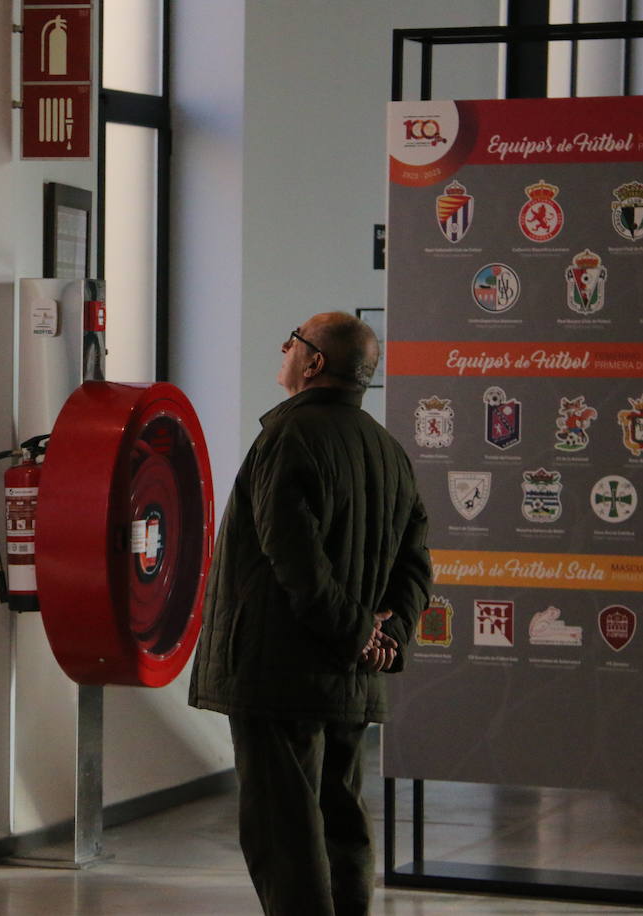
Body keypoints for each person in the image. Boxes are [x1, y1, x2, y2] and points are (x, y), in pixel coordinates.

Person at [188, 312, 432, 916]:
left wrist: (355, 634)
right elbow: (416, 565)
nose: (283, 346)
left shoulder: (288, 439)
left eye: (292, 339)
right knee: (340, 824)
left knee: (285, 834)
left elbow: (294, 559)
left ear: (315, 361)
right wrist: (386, 637)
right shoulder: (388, 451)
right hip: (349, 677)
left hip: (279, 677)